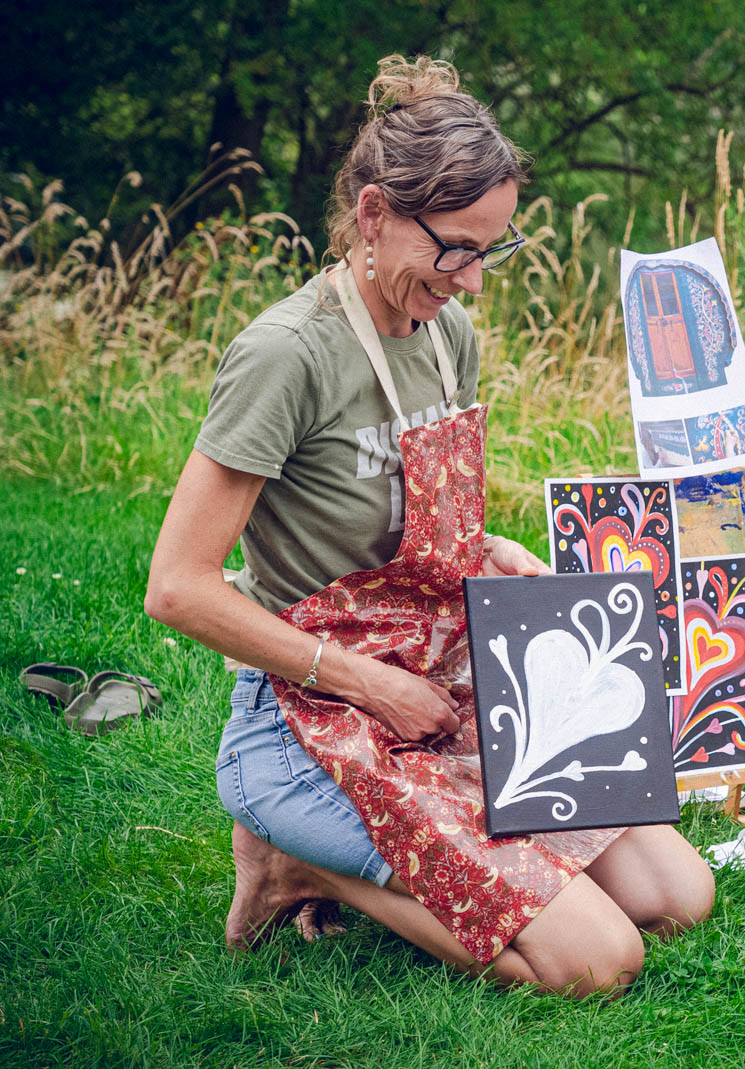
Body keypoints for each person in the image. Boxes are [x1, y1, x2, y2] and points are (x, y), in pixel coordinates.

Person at [145, 54, 713, 998]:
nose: (474, 281)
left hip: (440, 686)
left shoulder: (448, 335)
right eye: (455, 249)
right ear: (373, 213)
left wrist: (489, 551)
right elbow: (177, 587)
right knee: (597, 964)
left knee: (677, 894)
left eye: (491, 250)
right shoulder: (286, 355)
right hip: (314, 718)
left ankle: (410, 857)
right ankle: (298, 862)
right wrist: (373, 684)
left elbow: (406, 527)